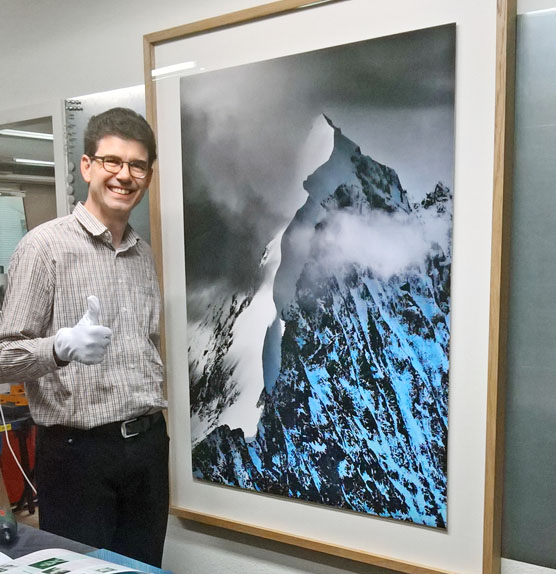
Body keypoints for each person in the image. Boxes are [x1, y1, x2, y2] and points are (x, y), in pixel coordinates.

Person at [0, 108, 168, 567]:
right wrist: (58, 348)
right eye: (112, 161)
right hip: (78, 456)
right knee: (83, 568)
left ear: (148, 177)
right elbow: (3, 356)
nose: (124, 175)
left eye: (137, 166)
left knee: (142, 567)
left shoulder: (142, 254)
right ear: (88, 166)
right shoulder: (44, 247)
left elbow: (147, 344)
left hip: (148, 446)